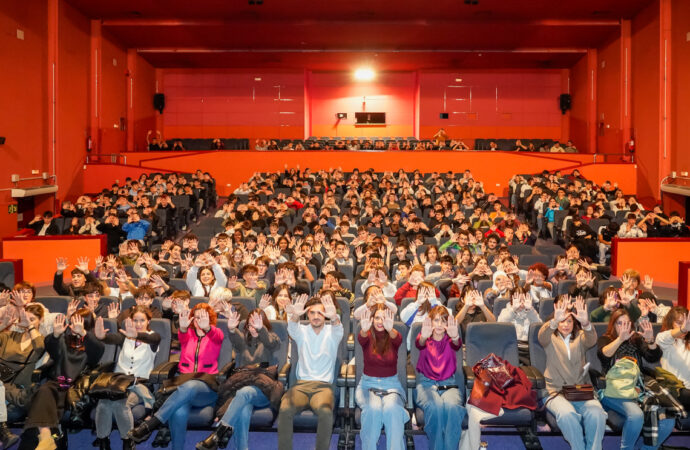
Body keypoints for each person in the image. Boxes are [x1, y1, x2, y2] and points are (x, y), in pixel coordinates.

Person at [128, 304, 223, 450]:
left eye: (203, 317)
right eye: (196, 317)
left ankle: (152, 423)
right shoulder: (188, 335)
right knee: (179, 411)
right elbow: (182, 334)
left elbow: (216, 336)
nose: (199, 320)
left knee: (191, 385)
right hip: (183, 387)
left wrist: (208, 328)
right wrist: (183, 327)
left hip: (206, 389)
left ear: (210, 318)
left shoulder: (216, 334)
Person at [19, 308, 105, 450]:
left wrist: (83, 333)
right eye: (71, 322)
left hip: (76, 386)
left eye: (78, 323)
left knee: (44, 393)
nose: (73, 326)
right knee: (45, 392)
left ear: (87, 325)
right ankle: (48, 437)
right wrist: (55, 335)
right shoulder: (64, 339)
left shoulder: (91, 343)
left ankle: (47, 438)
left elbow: (97, 352)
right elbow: (53, 350)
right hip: (58, 381)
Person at [197, 308, 281, 450]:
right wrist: (231, 329)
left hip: (264, 390)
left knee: (244, 393)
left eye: (257, 324)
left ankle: (218, 432)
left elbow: (270, 343)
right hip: (242, 390)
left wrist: (262, 330)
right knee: (243, 408)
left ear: (264, 324)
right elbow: (237, 340)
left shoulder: (272, 339)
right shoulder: (244, 342)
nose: (254, 328)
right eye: (250, 325)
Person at [597, 309, 673, 450]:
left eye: (626, 323)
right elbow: (603, 355)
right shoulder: (606, 339)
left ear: (631, 324)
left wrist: (650, 340)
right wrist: (620, 339)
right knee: (636, 415)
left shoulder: (636, 339)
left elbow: (653, 357)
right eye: (619, 323)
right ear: (613, 325)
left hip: (638, 388)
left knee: (668, 419)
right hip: (614, 389)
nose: (623, 327)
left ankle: (647, 448)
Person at [538, 297, 607, 450]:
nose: (566, 325)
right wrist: (554, 321)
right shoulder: (550, 337)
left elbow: (592, 339)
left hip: (580, 391)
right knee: (567, 414)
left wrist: (586, 323)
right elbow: (541, 336)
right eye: (562, 321)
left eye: (569, 321)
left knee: (597, 413)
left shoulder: (581, 337)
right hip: (554, 391)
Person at [277, 295, 343, 450]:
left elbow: (337, 326)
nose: (315, 316)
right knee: (285, 409)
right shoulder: (302, 331)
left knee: (326, 412)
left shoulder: (333, 333)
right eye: (312, 313)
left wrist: (334, 317)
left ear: (325, 314)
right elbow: (292, 327)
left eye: (320, 313)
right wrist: (295, 315)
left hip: (323, 387)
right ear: (307, 315)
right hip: (300, 386)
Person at [93, 307, 161, 450]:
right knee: (103, 403)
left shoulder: (153, 337)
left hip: (139, 384)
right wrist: (102, 337)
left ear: (148, 321)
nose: (138, 323)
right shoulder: (125, 337)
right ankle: (103, 441)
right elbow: (112, 338)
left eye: (142, 320)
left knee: (120, 404)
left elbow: (153, 338)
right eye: (135, 320)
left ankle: (127, 441)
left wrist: (136, 335)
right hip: (117, 382)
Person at [355, 305, 409, 450]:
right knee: (373, 409)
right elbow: (361, 338)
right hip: (368, 384)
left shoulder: (394, 336)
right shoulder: (366, 335)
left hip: (391, 385)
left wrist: (390, 328)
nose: (380, 321)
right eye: (377, 317)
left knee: (392, 410)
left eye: (384, 318)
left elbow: (397, 338)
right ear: (372, 319)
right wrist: (365, 329)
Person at [415, 306, 465, 449]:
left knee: (453, 408)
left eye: (443, 321)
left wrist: (455, 336)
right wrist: (424, 335)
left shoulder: (451, 340)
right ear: (430, 322)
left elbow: (457, 344)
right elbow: (419, 343)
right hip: (426, 384)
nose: (439, 325)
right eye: (436, 320)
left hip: (449, 384)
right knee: (435, 407)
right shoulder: (424, 337)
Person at [655, 306, 690, 408]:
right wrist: (683, 329)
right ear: (671, 323)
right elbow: (669, 336)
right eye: (679, 323)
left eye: (686, 323)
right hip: (674, 390)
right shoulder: (663, 339)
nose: (684, 326)